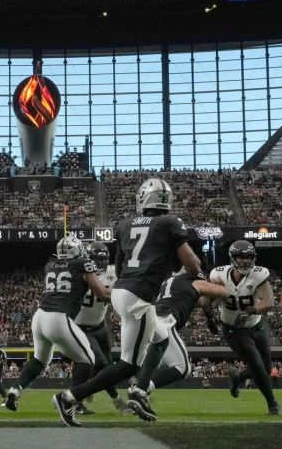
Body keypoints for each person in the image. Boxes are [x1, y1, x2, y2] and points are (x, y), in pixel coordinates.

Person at [53, 178, 204, 427]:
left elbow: (120, 266)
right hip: (139, 297)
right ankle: (69, 397)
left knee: (161, 338)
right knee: (128, 365)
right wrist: (186, 266)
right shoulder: (170, 222)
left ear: (143, 198)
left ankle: (140, 391)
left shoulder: (124, 224)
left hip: (123, 291)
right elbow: (192, 266)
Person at [3, 235, 111, 413]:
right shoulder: (83, 264)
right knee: (88, 359)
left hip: (39, 316)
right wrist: (121, 298)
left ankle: (15, 390)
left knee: (40, 360)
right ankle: (72, 402)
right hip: (58, 317)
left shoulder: (50, 265)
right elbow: (101, 294)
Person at [126, 268, 228, 421]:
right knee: (183, 368)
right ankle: (140, 391)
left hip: (152, 319)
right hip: (165, 321)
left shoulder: (169, 283)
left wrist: (209, 315)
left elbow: (197, 301)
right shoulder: (193, 281)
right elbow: (223, 293)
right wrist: (221, 282)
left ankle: (139, 392)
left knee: (158, 363)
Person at [212, 240, 281, 415]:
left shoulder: (258, 275)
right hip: (234, 329)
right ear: (232, 258)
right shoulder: (219, 275)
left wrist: (249, 311)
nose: (245, 260)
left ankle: (239, 377)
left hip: (257, 325)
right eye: (240, 257)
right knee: (256, 365)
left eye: (248, 257)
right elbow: (206, 297)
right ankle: (272, 403)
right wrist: (207, 314)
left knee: (266, 369)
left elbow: (269, 302)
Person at [73, 241, 125, 413]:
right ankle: (115, 400)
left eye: (103, 259)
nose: (100, 263)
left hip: (100, 326)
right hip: (81, 327)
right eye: (96, 259)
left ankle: (88, 389)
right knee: (101, 363)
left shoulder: (113, 272)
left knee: (108, 365)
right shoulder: (80, 272)